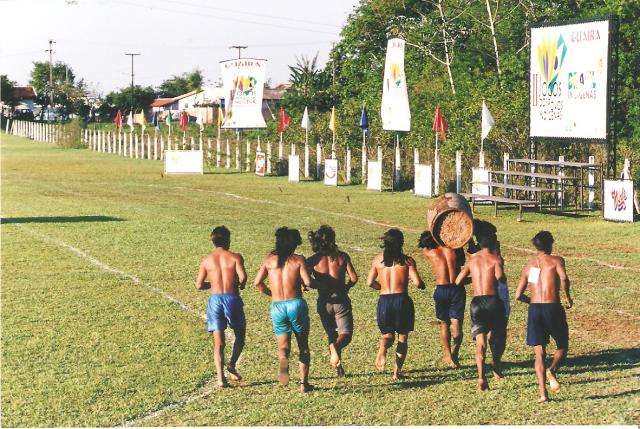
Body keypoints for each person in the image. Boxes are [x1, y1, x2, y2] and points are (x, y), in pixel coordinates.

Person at [254, 227, 314, 392]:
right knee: (303, 345)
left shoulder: (269, 260)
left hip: (277, 306)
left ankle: (284, 370)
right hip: (296, 304)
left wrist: (272, 294)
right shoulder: (298, 259)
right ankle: (303, 383)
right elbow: (308, 282)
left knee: (283, 346)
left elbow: (257, 283)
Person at [515, 231, 573, 403]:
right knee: (563, 345)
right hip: (552, 307)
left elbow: (518, 295)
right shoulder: (556, 261)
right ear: (551, 244)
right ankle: (552, 370)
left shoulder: (531, 266)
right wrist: (568, 297)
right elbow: (563, 278)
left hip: (535, 310)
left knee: (539, 353)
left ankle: (543, 394)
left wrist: (533, 302)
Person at [367, 228, 425, 380]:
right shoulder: (407, 261)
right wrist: (422, 285)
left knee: (387, 334)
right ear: (401, 243)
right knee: (402, 338)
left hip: (384, 301)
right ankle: (396, 372)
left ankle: (382, 348)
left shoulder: (378, 261)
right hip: (402, 300)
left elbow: (369, 282)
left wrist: (382, 288)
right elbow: (417, 283)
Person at [455, 222, 507, 391]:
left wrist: (475, 279)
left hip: (477, 303)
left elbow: (458, 281)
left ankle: (480, 377)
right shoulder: (495, 259)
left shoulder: (472, 260)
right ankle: (496, 364)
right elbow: (500, 278)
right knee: (497, 337)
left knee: (481, 343)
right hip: (493, 301)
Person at [195, 226, 247, 388]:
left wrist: (213, 284)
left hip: (215, 300)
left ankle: (220, 379)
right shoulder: (236, 257)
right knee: (240, 335)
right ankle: (231, 364)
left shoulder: (207, 260)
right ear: (228, 240)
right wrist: (240, 284)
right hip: (232, 298)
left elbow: (198, 285)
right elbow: (243, 277)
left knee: (219, 343)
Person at [307, 225, 358, 377]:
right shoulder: (342, 256)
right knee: (345, 334)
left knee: (331, 334)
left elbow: (306, 280)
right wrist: (347, 287)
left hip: (324, 301)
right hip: (340, 299)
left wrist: (316, 285)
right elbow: (354, 278)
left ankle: (339, 368)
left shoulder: (313, 260)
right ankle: (335, 349)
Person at [419, 230, 466, 368]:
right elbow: (462, 261)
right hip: (457, 288)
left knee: (444, 324)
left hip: (441, 289)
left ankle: (448, 355)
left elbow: (424, 245)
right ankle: (455, 352)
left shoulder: (429, 253)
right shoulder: (454, 249)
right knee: (457, 324)